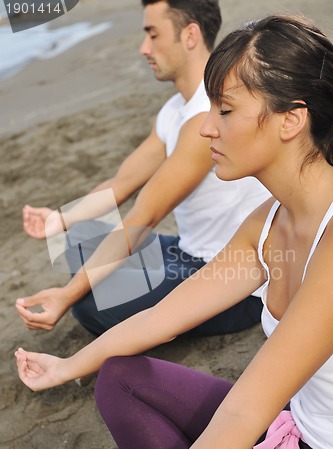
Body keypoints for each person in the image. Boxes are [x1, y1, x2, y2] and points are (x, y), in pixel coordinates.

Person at [15, 13, 333, 449]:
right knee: (118, 378)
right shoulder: (269, 222)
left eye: (225, 111)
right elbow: (163, 317)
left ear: (292, 118)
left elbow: (243, 412)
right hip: (293, 433)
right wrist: (65, 366)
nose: (206, 128)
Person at [16, 0, 269, 338]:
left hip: (231, 281)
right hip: (187, 250)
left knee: (87, 306)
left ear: (190, 34)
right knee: (77, 236)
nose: (143, 48)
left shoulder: (208, 117)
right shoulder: (174, 110)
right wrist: (58, 219)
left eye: (153, 34)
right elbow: (122, 183)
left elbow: (146, 214)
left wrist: (67, 295)